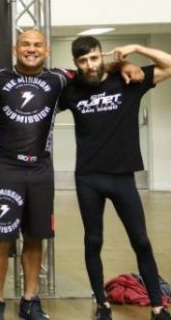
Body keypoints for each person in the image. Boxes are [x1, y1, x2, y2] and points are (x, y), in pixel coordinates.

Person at [0, 29, 141, 320]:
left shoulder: (59, 78)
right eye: (25, 45)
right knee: (0, 239)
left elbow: (92, 68)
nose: (31, 49)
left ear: (47, 51)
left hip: (40, 169)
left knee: (35, 237)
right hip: (5, 167)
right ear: (16, 49)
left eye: (37, 45)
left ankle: (30, 301)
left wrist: (122, 64)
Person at [58, 37, 171, 320]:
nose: (89, 65)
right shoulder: (72, 91)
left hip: (122, 177)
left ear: (101, 56)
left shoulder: (128, 81)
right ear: (76, 63)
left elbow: (169, 65)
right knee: (93, 241)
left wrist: (135, 51)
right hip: (88, 178)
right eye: (83, 61)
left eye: (94, 58)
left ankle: (158, 307)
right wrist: (118, 63)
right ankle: (102, 304)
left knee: (141, 241)